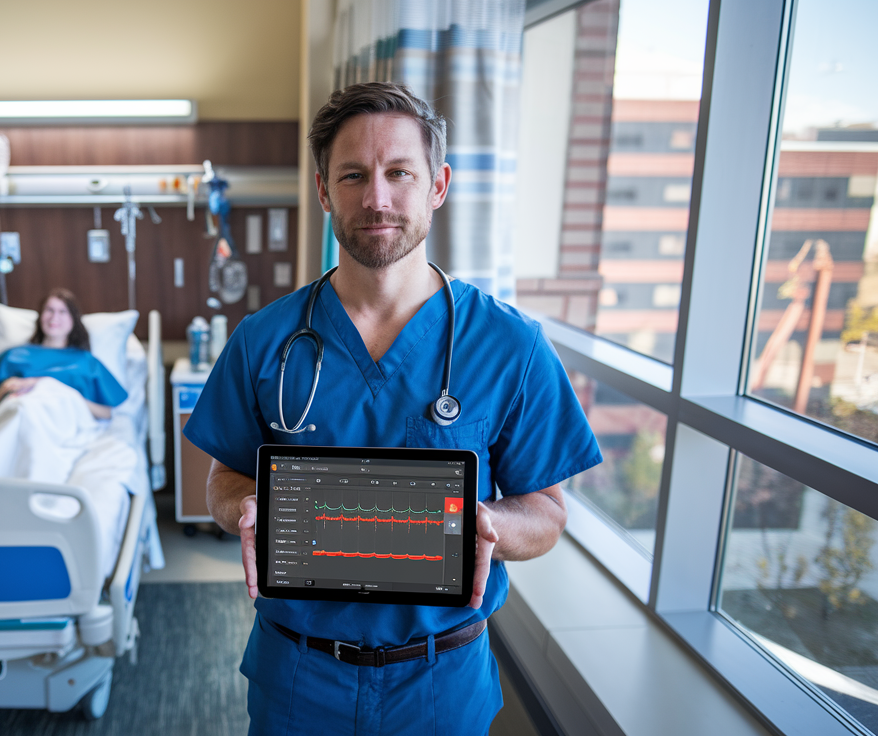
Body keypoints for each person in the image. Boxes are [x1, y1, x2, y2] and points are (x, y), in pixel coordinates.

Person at [184, 82, 603, 736]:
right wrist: (246, 507)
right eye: (353, 175)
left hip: (440, 682)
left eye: (399, 173)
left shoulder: (511, 347)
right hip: (299, 678)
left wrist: (487, 526)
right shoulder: (263, 341)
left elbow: (547, 512)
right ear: (324, 191)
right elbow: (224, 477)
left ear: (438, 184)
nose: (376, 198)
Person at [0, 288, 127, 436]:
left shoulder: (86, 361)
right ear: (41, 316)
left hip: (60, 427)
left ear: (74, 320)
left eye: (63, 311)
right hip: (16, 418)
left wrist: (51, 386)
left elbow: (106, 413)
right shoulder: (13, 355)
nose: (55, 317)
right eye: (49, 310)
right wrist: (3, 389)